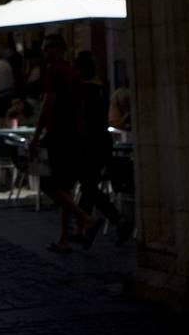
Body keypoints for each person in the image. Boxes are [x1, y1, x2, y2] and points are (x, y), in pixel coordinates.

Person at [29, 34, 101, 253]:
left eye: (47, 48)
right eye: (43, 48)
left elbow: (48, 103)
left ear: (58, 49)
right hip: (75, 136)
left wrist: (37, 134)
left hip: (59, 135)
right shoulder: (74, 72)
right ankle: (63, 239)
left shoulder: (54, 70)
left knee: (49, 186)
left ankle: (86, 219)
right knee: (65, 187)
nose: (44, 52)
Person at [73, 50, 127, 244]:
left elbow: (82, 121)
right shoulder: (101, 89)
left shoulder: (82, 91)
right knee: (89, 187)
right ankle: (85, 229)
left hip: (89, 145)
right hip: (103, 142)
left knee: (88, 186)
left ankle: (113, 218)